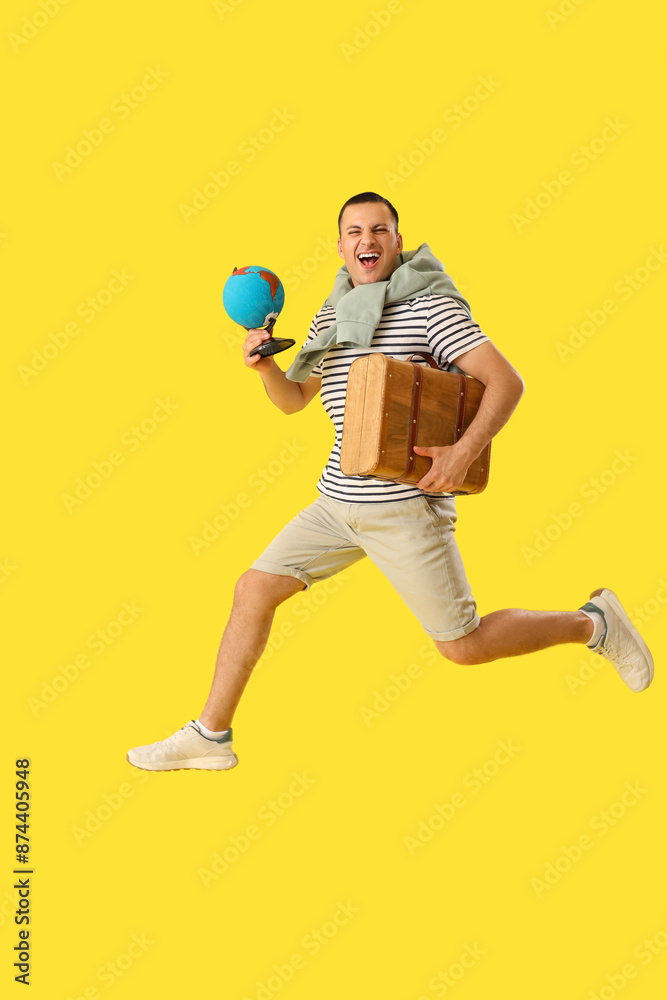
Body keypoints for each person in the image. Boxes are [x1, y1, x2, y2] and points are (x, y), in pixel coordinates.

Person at [126, 192, 653, 772]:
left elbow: (507, 383)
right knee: (253, 589)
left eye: (380, 230)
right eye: (354, 231)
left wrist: (462, 453)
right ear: (341, 246)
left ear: (398, 241)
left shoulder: (431, 308)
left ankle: (594, 624)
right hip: (337, 502)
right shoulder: (334, 315)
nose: (367, 241)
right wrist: (267, 368)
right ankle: (211, 735)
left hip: (406, 508)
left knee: (463, 646)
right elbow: (295, 402)